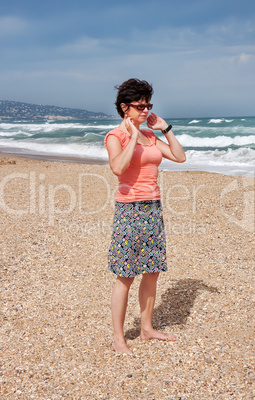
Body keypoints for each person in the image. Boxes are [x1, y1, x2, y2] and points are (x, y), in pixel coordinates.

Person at [104, 78, 186, 354]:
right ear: (125, 107)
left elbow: (179, 156)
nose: (145, 110)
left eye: (148, 104)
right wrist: (134, 135)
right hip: (129, 209)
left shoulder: (151, 136)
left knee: (152, 271)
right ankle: (118, 338)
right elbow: (118, 167)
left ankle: (147, 329)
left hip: (153, 207)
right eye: (140, 106)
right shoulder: (115, 136)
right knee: (126, 275)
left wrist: (165, 128)